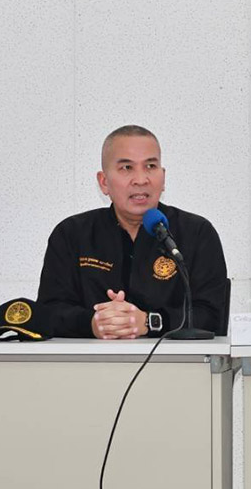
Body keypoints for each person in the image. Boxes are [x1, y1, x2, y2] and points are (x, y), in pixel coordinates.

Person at [37, 125, 228, 338]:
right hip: (92, 359)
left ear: (163, 178)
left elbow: (212, 315)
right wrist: (93, 323)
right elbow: (48, 312)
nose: (141, 179)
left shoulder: (196, 233)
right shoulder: (72, 234)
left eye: (150, 166)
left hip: (171, 359)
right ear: (104, 182)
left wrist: (150, 321)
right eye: (127, 168)